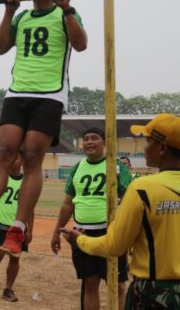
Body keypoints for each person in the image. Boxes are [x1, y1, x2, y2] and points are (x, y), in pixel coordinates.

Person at [0, 0, 88, 258]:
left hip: (50, 93)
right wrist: (8, 11)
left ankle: (18, 227)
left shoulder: (65, 13)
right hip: (17, 92)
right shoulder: (22, 17)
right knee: (4, 151)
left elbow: (81, 44)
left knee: (31, 157)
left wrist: (67, 7)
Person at [60, 113, 180, 310]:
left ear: (161, 148)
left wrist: (80, 241)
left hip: (151, 293)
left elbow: (115, 245)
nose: (144, 147)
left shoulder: (142, 188)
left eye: (148, 141)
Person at [51, 127, 131, 310]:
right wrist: (56, 232)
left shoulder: (117, 166)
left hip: (109, 233)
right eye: (85, 138)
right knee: (90, 283)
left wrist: (127, 233)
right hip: (82, 233)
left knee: (118, 284)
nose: (89, 142)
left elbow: (129, 199)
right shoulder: (77, 168)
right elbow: (67, 204)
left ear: (105, 142)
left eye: (94, 138)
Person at [0, 153, 33, 302]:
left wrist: (30, 229)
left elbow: (30, 207)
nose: (14, 160)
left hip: (18, 227)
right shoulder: (2, 178)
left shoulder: (27, 182)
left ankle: (8, 289)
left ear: (22, 161)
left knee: (15, 258)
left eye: (17, 158)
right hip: (1, 225)